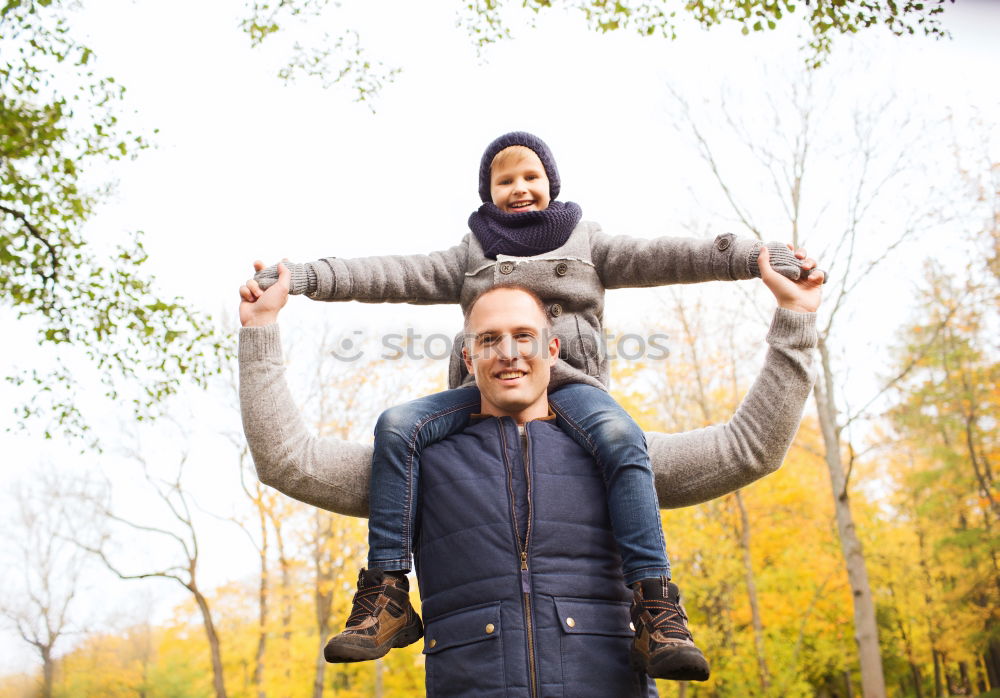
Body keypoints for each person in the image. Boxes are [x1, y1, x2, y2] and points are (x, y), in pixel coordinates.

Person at [246, 131, 821, 681]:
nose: (510, 353)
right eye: (489, 338)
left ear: (552, 346)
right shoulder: (427, 466)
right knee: (395, 422)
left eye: (531, 175)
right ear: (467, 354)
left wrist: (759, 267)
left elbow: (670, 263)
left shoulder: (621, 464)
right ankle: (388, 590)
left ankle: (656, 608)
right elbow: (389, 275)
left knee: (624, 440)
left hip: (587, 402)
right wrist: (295, 288)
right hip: (472, 669)